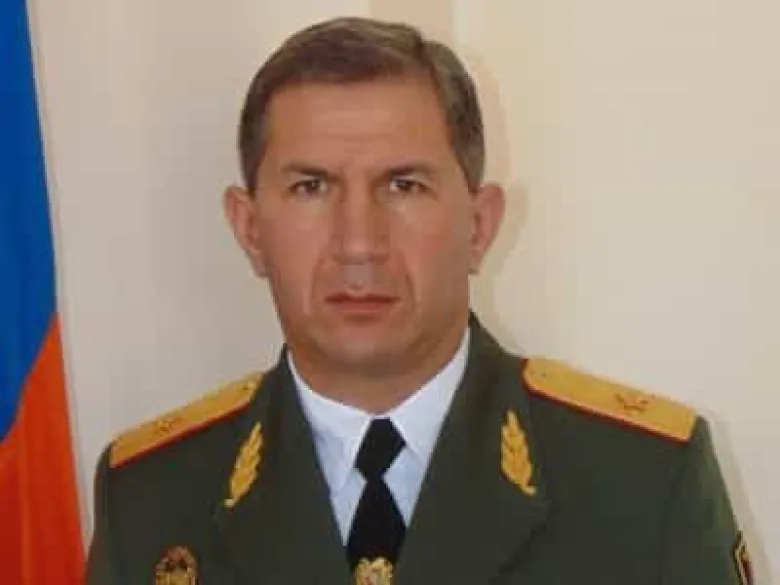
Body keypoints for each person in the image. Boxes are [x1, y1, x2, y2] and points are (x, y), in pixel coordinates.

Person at [86, 17, 752, 585]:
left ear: (479, 226)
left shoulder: (645, 482)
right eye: (311, 187)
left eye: (403, 185)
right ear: (250, 229)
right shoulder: (149, 497)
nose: (358, 243)